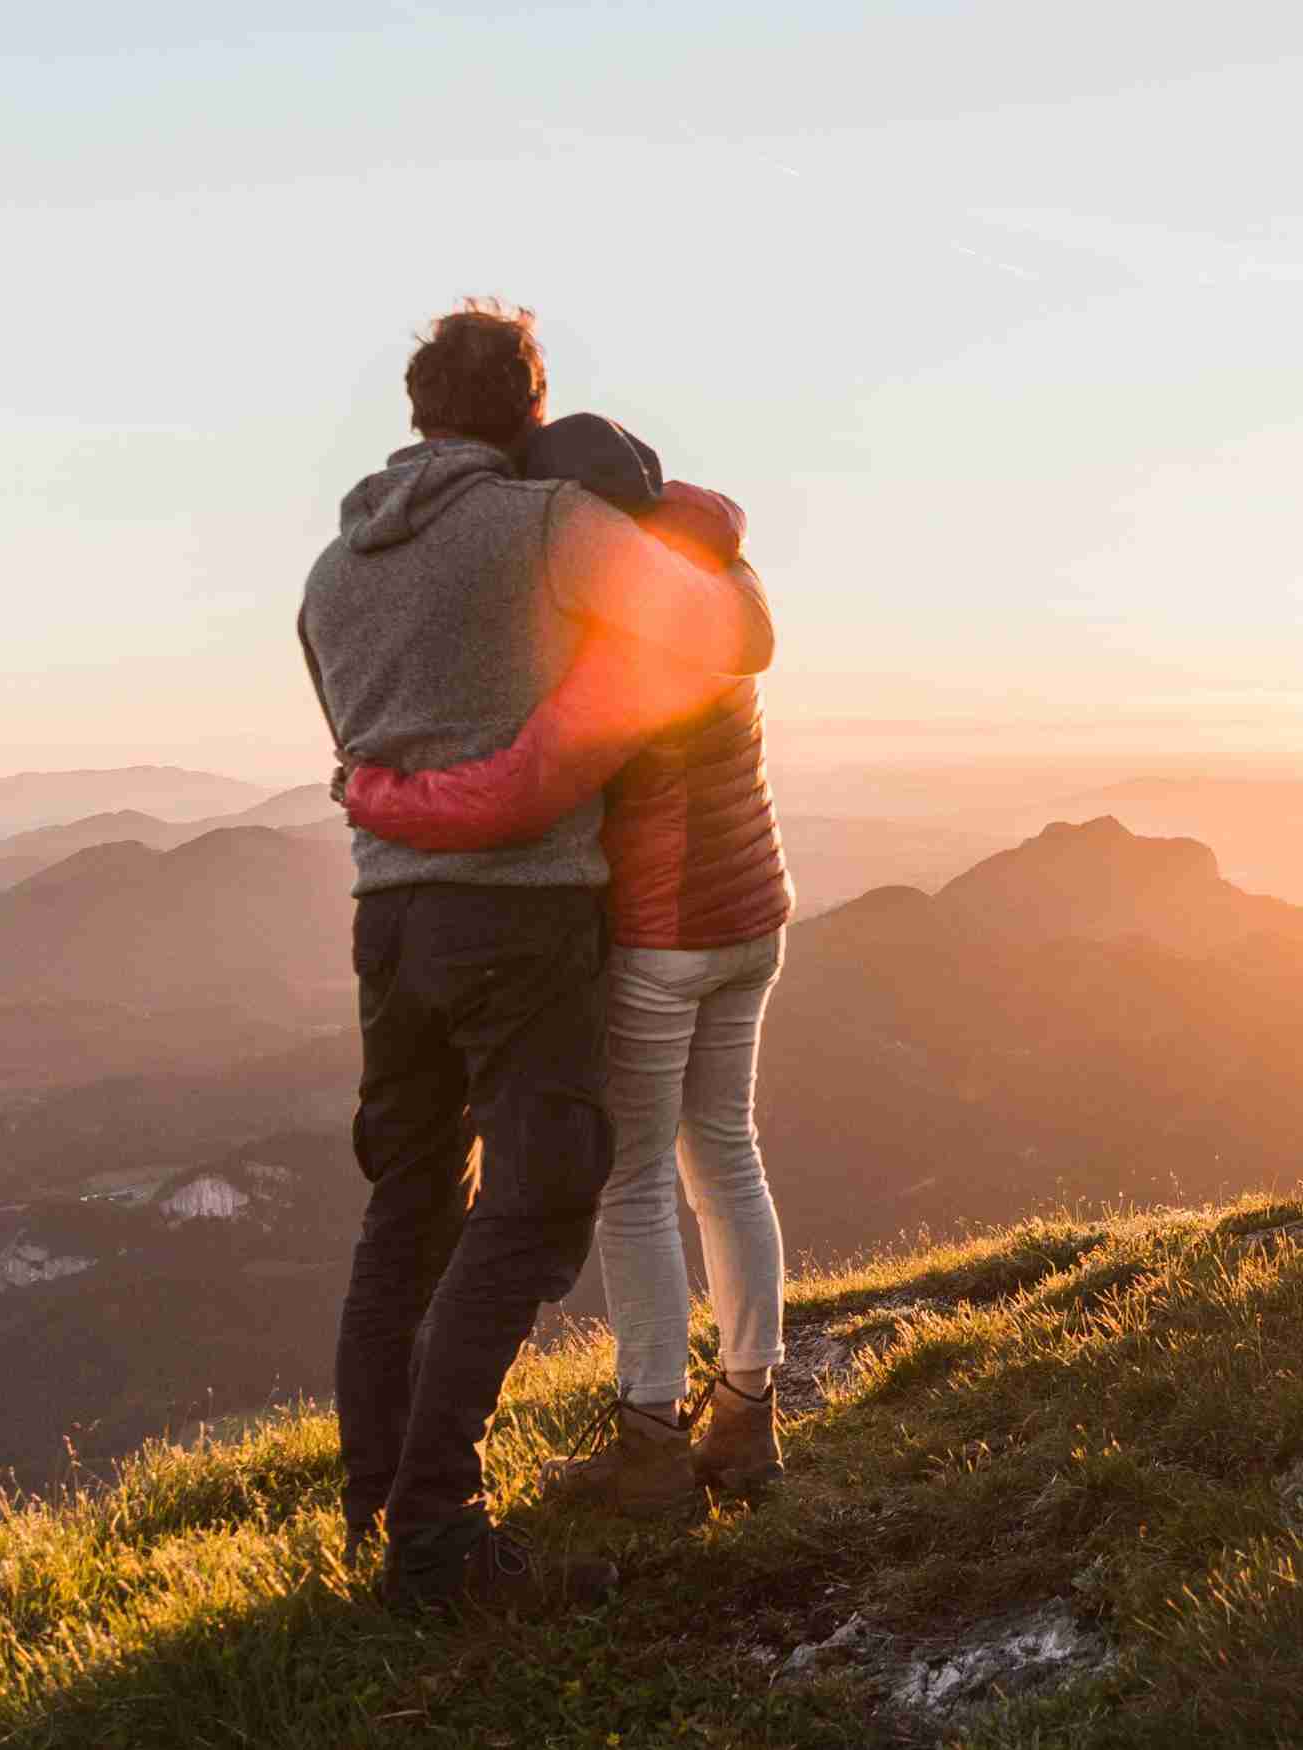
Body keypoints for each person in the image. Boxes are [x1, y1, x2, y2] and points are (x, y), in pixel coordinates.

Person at [298, 304, 775, 1609]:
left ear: (416, 413)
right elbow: (729, 638)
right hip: (518, 917)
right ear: (527, 412)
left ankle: (375, 1504)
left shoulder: (329, 572)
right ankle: (439, 1529)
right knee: (544, 1195)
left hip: (387, 921)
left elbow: (362, 741)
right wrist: (693, 521)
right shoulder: (548, 526)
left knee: (405, 1206)